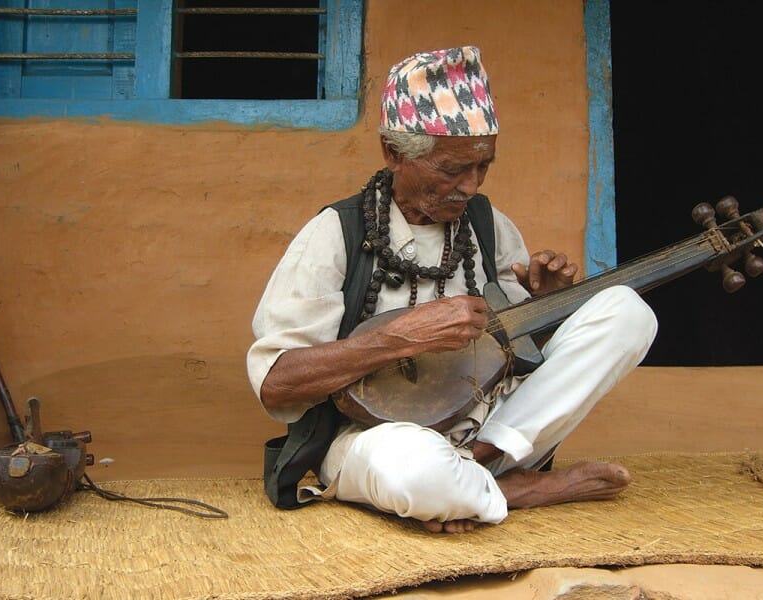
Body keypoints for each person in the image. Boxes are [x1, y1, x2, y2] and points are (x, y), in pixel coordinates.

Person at [247, 46, 658, 533]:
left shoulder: (487, 224)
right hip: (379, 437)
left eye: (483, 165)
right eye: (450, 169)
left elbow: (512, 355)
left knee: (626, 310)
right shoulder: (335, 232)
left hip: (496, 426)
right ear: (393, 153)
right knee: (414, 470)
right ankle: (518, 488)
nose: (470, 184)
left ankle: (476, 470)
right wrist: (398, 339)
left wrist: (545, 310)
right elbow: (278, 383)